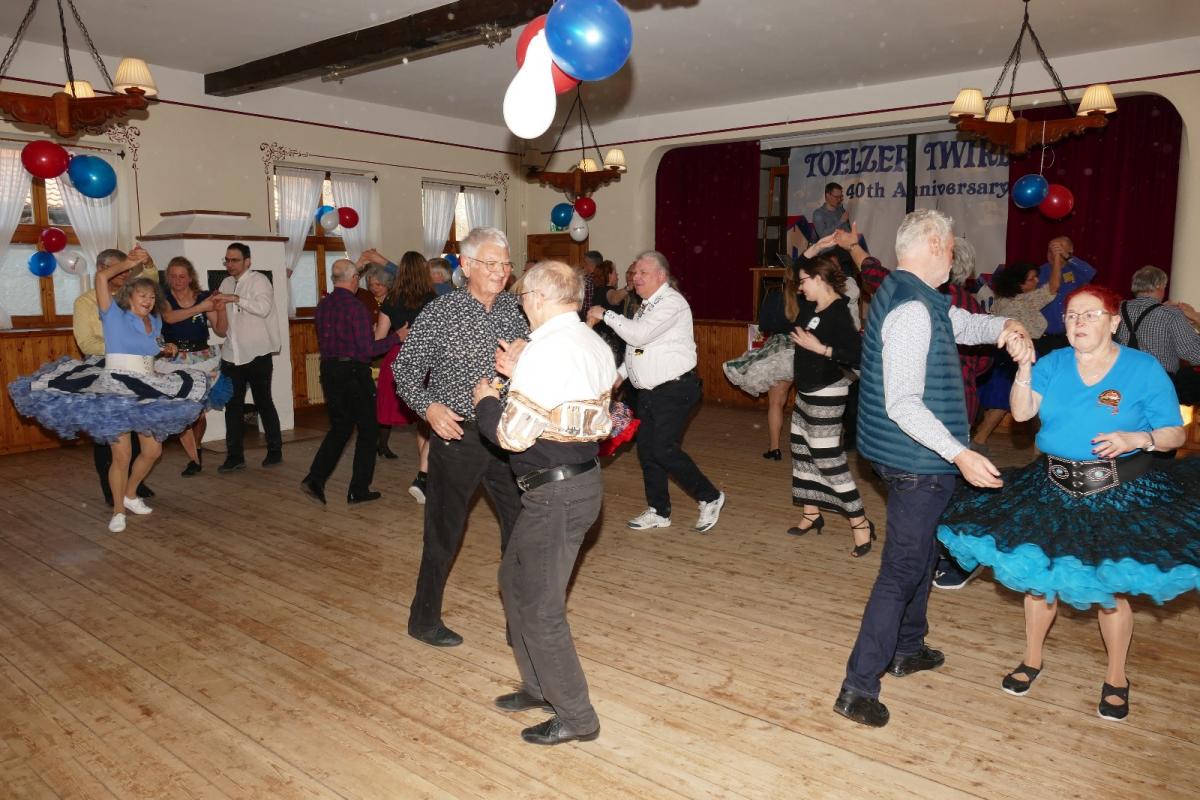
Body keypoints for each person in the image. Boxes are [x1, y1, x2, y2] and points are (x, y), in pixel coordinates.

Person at [938, 285, 1197, 721]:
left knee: (1110, 588)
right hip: (1052, 487)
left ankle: (1117, 676)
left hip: (1118, 493)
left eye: (1090, 315)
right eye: (1072, 315)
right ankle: (1032, 659)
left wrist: (1139, 438)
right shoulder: (1054, 363)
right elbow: (1022, 414)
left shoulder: (1143, 368)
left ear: (1114, 322)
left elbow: (1176, 434)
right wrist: (1024, 368)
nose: (1078, 322)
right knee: (1040, 579)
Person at [834, 209, 1031, 728]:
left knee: (921, 551)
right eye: (951, 247)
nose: (954, 257)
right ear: (937, 246)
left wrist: (1005, 325)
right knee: (902, 568)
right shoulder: (912, 309)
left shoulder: (914, 294)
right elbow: (903, 403)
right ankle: (858, 688)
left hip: (899, 455)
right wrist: (960, 453)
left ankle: (907, 647)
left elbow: (962, 323)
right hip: (916, 461)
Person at [474, 260, 614, 746]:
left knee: (540, 609)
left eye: (522, 299)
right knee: (513, 580)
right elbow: (573, 408)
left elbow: (511, 436)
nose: (521, 307)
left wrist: (486, 398)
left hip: (556, 494)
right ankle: (539, 686)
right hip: (575, 485)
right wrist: (521, 374)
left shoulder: (545, 351)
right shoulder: (591, 342)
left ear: (535, 297)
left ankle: (577, 717)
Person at [10, 247, 210, 533]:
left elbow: (151, 348)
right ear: (129, 297)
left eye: (152, 297)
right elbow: (102, 279)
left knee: (153, 451)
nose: (148, 300)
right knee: (121, 455)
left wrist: (166, 348)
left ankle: (130, 494)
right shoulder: (113, 315)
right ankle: (118, 511)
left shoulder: (154, 320)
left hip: (146, 386)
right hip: (116, 388)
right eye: (142, 296)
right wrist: (128, 262)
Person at [394, 227, 528, 648]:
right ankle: (423, 620)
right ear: (466, 265)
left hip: (506, 436)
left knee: (522, 528)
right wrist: (429, 408)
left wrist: (529, 353)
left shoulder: (517, 311)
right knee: (444, 532)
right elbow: (404, 371)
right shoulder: (440, 313)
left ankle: (521, 624)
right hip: (458, 435)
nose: (501, 272)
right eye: (491, 263)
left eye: (505, 264)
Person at [587, 251, 726, 533]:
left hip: (676, 389)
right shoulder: (647, 305)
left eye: (643, 273)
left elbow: (638, 335)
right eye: (634, 273)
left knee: (663, 449)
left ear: (661, 276)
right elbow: (638, 348)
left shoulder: (671, 303)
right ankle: (659, 511)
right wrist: (621, 374)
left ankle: (710, 496)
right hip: (650, 393)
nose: (635, 278)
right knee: (648, 452)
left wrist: (606, 314)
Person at [783, 241, 875, 556]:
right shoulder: (811, 306)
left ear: (819, 280)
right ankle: (812, 512)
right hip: (805, 391)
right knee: (801, 451)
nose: (800, 287)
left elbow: (857, 354)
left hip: (827, 392)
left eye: (805, 282)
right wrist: (817, 246)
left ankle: (860, 523)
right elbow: (797, 269)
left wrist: (821, 349)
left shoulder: (838, 313)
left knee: (828, 460)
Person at [300, 259, 398, 505]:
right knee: (369, 429)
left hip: (329, 371)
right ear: (354, 279)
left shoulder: (323, 305)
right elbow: (368, 351)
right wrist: (397, 336)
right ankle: (358, 489)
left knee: (341, 427)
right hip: (353, 372)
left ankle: (315, 479)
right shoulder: (356, 307)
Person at [71, 248, 154, 506]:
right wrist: (120, 347)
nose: (126, 274)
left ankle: (133, 485)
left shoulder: (132, 297)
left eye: (129, 269)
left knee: (138, 429)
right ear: (102, 270)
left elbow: (152, 282)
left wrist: (147, 260)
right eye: (121, 269)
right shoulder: (85, 302)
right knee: (108, 436)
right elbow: (86, 343)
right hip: (101, 368)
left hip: (133, 370)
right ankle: (111, 490)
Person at [972, 255, 1062, 450]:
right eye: (1031, 279)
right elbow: (1053, 287)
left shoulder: (1001, 300)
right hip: (1020, 352)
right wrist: (1056, 259)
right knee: (1014, 399)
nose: (1037, 281)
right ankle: (979, 441)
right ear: (1019, 283)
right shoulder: (1024, 300)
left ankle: (980, 441)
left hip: (1005, 354)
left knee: (1007, 400)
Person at [216, 243, 283, 472]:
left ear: (247, 261)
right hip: (231, 355)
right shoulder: (225, 283)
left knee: (263, 402)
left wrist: (236, 298)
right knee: (232, 407)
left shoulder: (259, 281)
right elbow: (223, 318)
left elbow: (263, 308)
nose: (230, 264)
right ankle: (235, 457)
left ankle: (275, 451)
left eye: (234, 260)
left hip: (257, 354)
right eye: (227, 260)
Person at [160, 256, 230, 476]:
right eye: (173, 276)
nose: (177, 280)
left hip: (202, 359)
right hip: (173, 361)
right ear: (168, 278)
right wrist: (201, 307)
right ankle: (193, 457)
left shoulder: (203, 297)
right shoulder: (163, 298)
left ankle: (196, 451)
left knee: (199, 412)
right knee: (182, 412)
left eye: (182, 276)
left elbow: (221, 330)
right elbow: (170, 318)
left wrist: (220, 309)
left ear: (190, 278)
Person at [377, 251, 438, 501]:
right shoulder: (432, 299)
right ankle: (425, 475)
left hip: (398, 359)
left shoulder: (391, 299)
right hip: (426, 360)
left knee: (421, 421)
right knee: (428, 419)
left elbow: (379, 338)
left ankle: (425, 475)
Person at [722, 266, 797, 460]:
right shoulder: (810, 299)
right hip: (804, 351)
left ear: (785, 278)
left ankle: (775, 448)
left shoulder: (775, 298)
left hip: (780, 353)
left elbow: (764, 325)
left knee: (776, 403)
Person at [1116, 265, 1200, 409]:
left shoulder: (1116, 309)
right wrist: (1196, 318)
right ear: (1159, 286)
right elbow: (1195, 355)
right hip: (1157, 387)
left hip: (1121, 382)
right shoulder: (1171, 314)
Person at [1036, 236, 1095, 351]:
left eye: (1060, 248)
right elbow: (1053, 288)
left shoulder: (1075, 269)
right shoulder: (1039, 272)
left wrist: (1067, 257)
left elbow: (1090, 273)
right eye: (1051, 249)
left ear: (1070, 250)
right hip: (1047, 335)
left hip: (1073, 331)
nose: (1054, 253)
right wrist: (1057, 261)